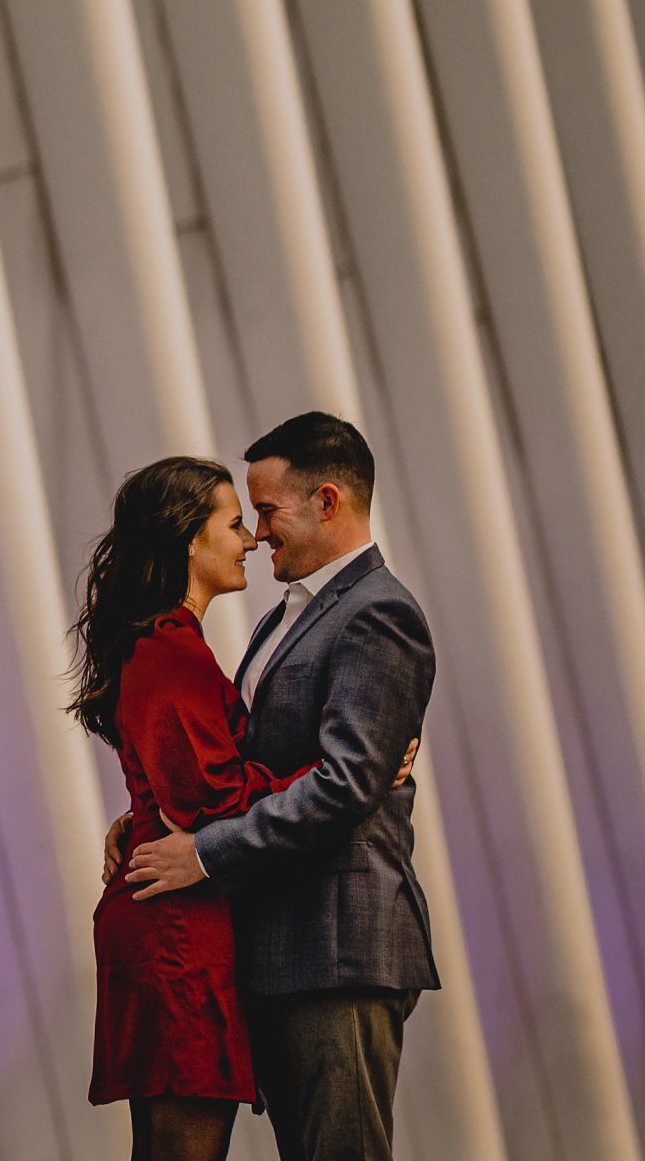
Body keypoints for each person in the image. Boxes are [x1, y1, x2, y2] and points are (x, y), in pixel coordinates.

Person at [115, 413, 438, 1161]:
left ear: (327, 502)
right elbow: (231, 767)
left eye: (265, 511)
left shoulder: (379, 613)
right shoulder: (281, 620)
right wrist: (143, 818)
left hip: (336, 950)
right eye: (246, 518)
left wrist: (205, 853)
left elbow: (345, 782)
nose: (258, 535)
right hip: (285, 952)